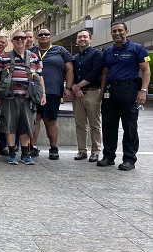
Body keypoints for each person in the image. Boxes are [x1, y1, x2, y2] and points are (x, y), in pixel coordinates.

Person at [98, 22, 151, 171]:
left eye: (120, 30)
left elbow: (146, 71)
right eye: (114, 31)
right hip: (110, 90)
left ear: (126, 31)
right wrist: (102, 92)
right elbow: (105, 73)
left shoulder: (137, 49)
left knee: (129, 125)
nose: (117, 33)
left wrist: (143, 90)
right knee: (108, 125)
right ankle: (108, 156)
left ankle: (129, 159)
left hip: (129, 89)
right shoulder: (107, 51)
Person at [0, 31, 45, 165]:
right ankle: (12, 154)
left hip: (28, 98)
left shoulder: (34, 57)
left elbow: (40, 77)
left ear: (26, 40)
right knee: (10, 125)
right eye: (17, 38)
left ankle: (25, 154)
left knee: (25, 126)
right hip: (9, 97)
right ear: (12, 41)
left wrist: (43, 94)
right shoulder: (3, 57)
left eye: (23, 38)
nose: (20, 40)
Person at [30, 28, 74, 160]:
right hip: (34, 91)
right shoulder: (31, 51)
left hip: (53, 91)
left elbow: (69, 69)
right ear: (37, 37)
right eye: (41, 35)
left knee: (51, 120)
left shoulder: (60, 51)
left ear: (51, 36)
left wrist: (69, 88)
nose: (43, 36)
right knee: (34, 119)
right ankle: (33, 147)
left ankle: (54, 148)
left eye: (46, 34)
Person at [71, 29, 103, 163]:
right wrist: (74, 87)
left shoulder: (97, 54)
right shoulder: (75, 57)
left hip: (93, 92)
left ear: (90, 39)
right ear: (77, 41)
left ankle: (95, 151)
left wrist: (78, 86)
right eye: (79, 37)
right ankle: (82, 150)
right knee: (80, 124)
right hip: (78, 95)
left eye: (85, 37)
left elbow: (94, 73)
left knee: (95, 124)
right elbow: (70, 74)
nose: (82, 39)